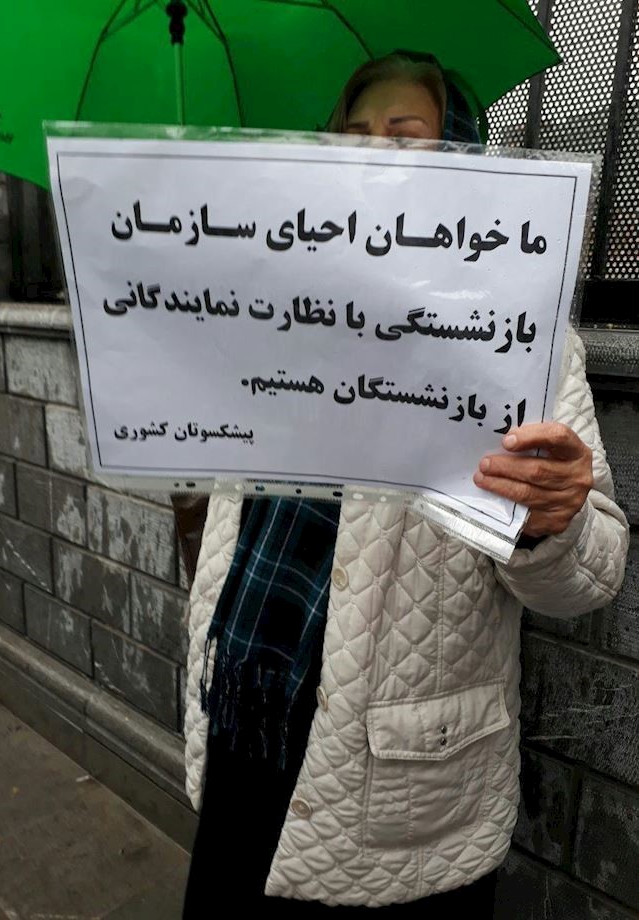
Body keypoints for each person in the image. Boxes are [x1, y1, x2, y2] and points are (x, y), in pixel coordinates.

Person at [179, 54, 629, 917]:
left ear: (455, 154)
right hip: (246, 714)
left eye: (403, 133)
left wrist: (552, 522)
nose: (372, 154)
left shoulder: (514, 333)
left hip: (402, 793)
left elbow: (591, 575)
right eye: (351, 135)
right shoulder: (272, 310)